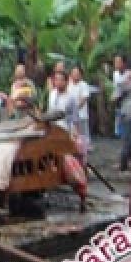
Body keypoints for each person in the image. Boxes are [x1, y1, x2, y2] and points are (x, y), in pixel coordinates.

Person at [50, 69, 88, 209]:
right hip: (52, 132)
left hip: (65, 132)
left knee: (71, 161)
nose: (58, 82)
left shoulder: (71, 98)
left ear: (66, 82)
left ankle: (80, 189)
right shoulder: (52, 94)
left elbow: (74, 119)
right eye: (56, 79)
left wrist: (74, 134)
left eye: (61, 79)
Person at [67, 66, 92, 161]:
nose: (75, 75)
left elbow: (84, 99)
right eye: (73, 72)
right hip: (70, 117)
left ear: (81, 75)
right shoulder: (68, 85)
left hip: (81, 116)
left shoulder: (84, 85)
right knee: (72, 136)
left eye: (77, 73)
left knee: (83, 137)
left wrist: (75, 109)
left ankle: (84, 158)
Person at [111, 54, 131, 137]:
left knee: (127, 126)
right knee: (120, 128)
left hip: (128, 103)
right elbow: (116, 87)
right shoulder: (115, 74)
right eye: (115, 61)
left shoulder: (129, 73)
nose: (116, 63)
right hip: (119, 103)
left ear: (124, 63)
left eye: (118, 61)